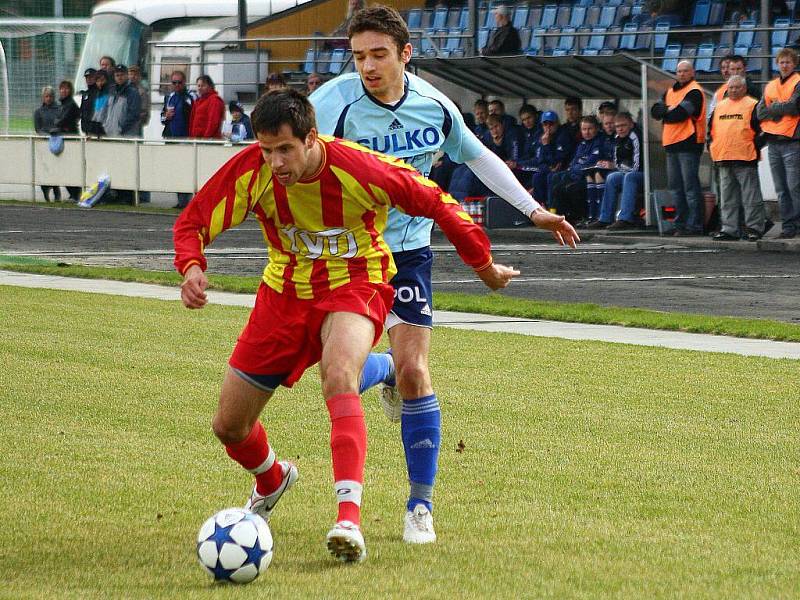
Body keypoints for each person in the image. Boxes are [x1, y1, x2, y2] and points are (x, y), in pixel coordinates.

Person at [173, 88, 519, 564]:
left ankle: (348, 519)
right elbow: (193, 221)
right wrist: (191, 267)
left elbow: (439, 202)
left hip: (357, 283)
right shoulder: (252, 171)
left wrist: (483, 265)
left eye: (285, 150)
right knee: (230, 427)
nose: (274, 161)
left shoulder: (360, 167)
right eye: (266, 150)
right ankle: (274, 479)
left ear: (312, 138)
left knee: (339, 375)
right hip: (284, 294)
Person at [310, 4, 579, 544]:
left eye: (379, 55)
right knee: (334, 372)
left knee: (416, 373)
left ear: (406, 55)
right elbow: (281, 153)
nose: (367, 66)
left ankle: (419, 507)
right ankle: (379, 370)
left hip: (409, 253)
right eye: (358, 55)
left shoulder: (435, 107)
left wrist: (533, 211)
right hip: (347, 255)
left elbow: (479, 158)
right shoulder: (329, 105)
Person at [650, 60, 707, 236]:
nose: (681, 74)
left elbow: (679, 115)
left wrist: (666, 111)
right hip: (671, 144)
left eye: (685, 71)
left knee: (690, 187)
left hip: (689, 144)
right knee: (675, 187)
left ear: (692, 73)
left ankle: (694, 225)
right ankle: (680, 223)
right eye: (679, 71)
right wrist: (669, 109)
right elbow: (654, 111)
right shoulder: (670, 92)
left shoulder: (695, 91)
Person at [708, 75, 766, 241]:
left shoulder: (752, 105)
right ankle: (729, 229)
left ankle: (754, 228)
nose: (733, 90)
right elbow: (711, 131)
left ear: (744, 88)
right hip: (723, 157)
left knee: (751, 197)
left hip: (745, 157)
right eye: (731, 87)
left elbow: (762, 130)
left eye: (737, 87)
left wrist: (755, 146)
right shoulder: (719, 106)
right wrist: (712, 147)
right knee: (727, 198)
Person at [756, 47, 800, 239]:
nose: (784, 65)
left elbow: (794, 106)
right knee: (781, 188)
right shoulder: (770, 85)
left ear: (794, 64)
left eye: (788, 62)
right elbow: (760, 112)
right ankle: (788, 226)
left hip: (792, 141)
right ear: (777, 64)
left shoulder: (798, 82)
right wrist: (781, 110)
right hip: (773, 141)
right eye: (782, 62)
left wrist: (773, 108)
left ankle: (796, 224)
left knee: (794, 187)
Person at [589, 111, 644, 230]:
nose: (620, 129)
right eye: (618, 126)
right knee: (612, 177)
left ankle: (625, 219)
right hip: (627, 172)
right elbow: (616, 162)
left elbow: (637, 166)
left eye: (623, 126)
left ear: (631, 124)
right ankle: (605, 218)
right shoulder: (617, 138)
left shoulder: (635, 136)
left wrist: (620, 168)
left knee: (630, 176)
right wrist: (616, 167)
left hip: (644, 174)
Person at [549, 115, 606, 225]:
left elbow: (589, 163)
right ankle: (556, 215)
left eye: (590, 129)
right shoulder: (582, 144)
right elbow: (574, 162)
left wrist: (575, 169)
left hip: (590, 177)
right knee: (556, 182)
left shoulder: (599, 142)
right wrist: (574, 169)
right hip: (576, 175)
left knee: (572, 188)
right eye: (584, 129)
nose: (587, 132)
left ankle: (579, 216)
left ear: (596, 129)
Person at [516, 110, 571, 204]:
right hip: (547, 169)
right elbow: (540, 160)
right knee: (537, 176)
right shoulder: (541, 136)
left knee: (551, 177)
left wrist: (546, 145)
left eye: (551, 124)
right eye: (545, 124)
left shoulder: (563, 136)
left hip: (563, 169)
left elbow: (556, 162)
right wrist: (547, 167)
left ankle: (551, 207)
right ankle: (539, 205)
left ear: (557, 124)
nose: (548, 127)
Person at [161, 70, 194, 209]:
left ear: (184, 82)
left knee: (185, 168)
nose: (177, 85)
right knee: (175, 168)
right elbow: (163, 118)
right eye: (174, 82)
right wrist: (165, 116)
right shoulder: (170, 97)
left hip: (185, 137)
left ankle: (186, 200)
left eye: (179, 82)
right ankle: (180, 200)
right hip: (171, 136)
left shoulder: (190, 97)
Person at [53, 80, 82, 201]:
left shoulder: (71, 104)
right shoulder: (62, 105)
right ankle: (72, 194)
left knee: (70, 166)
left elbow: (63, 120)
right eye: (62, 88)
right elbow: (57, 120)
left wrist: (58, 124)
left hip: (70, 138)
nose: (64, 91)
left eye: (66, 88)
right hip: (63, 137)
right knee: (64, 167)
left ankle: (76, 194)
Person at [33, 86, 61, 202]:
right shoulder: (38, 112)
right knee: (44, 169)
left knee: (55, 168)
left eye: (50, 96)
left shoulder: (59, 109)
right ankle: (45, 193)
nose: (48, 99)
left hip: (56, 142)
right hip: (44, 143)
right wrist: (46, 134)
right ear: (43, 98)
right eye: (46, 96)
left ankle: (56, 190)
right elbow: (37, 128)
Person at [102, 64, 141, 137]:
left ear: (127, 76)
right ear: (114, 77)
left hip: (127, 135)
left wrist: (121, 129)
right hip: (110, 134)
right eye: (117, 75)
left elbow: (134, 115)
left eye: (122, 75)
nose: (120, 77)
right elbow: (105, 111)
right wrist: (105, 126)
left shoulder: (133, 93)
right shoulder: (110, 92)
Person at [189, 75, 225, 139]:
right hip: (197, 139)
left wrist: (206, 138)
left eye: (203, 86)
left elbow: (213, 122)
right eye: (198, 86)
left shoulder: (214, 100)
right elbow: (193, 121)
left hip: (208, 140)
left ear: (210, 86)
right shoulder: (198, 101)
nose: (200, 88)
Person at [127, 65, 151, 135]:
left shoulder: (142, 92)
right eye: (130, 74)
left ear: (139, 76)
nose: (133, 76)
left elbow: (144, 111)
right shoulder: (124, 89)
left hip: (135, 125)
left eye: (135, 74)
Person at [79, 68, 98, 135]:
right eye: (87, 77)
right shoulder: (85, 94)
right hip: (86, 130)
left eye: (91, 77)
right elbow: (82, 111)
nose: (89, 79)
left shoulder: (99, 93)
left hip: (97, 130)